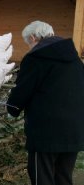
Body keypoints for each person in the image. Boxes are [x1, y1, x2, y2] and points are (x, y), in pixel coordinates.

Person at [6, 21, 84, 185]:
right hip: (74, 130)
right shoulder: (75, 58)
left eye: (28, 43)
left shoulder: (35, 58)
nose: (29, 47)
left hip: (45, 133)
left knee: (42, 177)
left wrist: (12, 108)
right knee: (63, 176)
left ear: (33, 38)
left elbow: (23, 89)